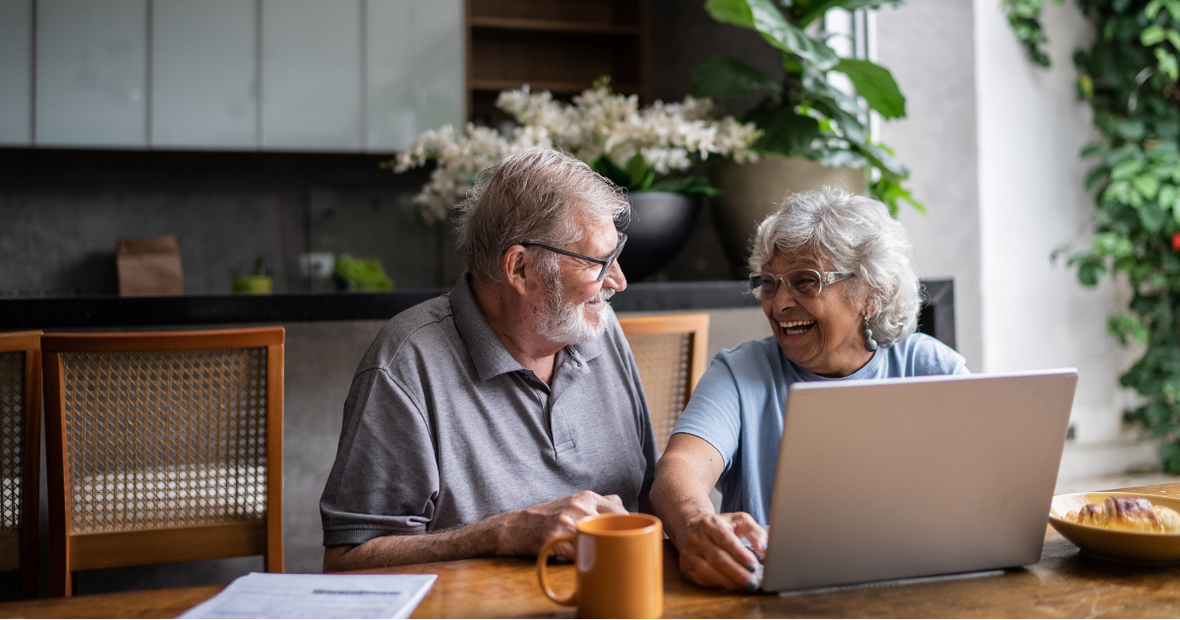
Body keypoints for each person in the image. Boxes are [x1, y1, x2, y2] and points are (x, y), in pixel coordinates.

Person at [320, 147, 658, 571]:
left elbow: (648, 495)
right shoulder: (406, 364)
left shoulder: (601, 330)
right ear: (520, 269)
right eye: (599, 262)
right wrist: (500, 534)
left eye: (617, 252)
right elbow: (347, 560)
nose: (619, 281)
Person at [650, 188, 968, 590]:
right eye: (769, 283)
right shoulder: (740, 374)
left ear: (870, 295)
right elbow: (679, 470)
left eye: (805, 281)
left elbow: (992, 482)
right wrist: (695, 522)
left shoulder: (929, 367)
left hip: (915, 585)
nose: (779, 303)